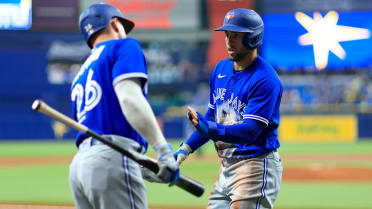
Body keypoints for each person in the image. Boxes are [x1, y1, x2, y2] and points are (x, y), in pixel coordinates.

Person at [69, 3, 179, 209]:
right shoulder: (124, 46)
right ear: (114, 23)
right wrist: (162, 150)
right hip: (111, 160)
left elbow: (102, 128)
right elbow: (129, 98)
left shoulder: (80, 75)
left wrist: (139, 164)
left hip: (79, 168)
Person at [175, 8, 283, 209]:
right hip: (227, 167)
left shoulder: (265, 79)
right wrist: (185, 149)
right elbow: (210, 118)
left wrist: (211, 129)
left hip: (255, 166)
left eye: (236, 35)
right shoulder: (220, 69)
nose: (229, 40)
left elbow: (250, 131)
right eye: (227, 35)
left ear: (252, 38)